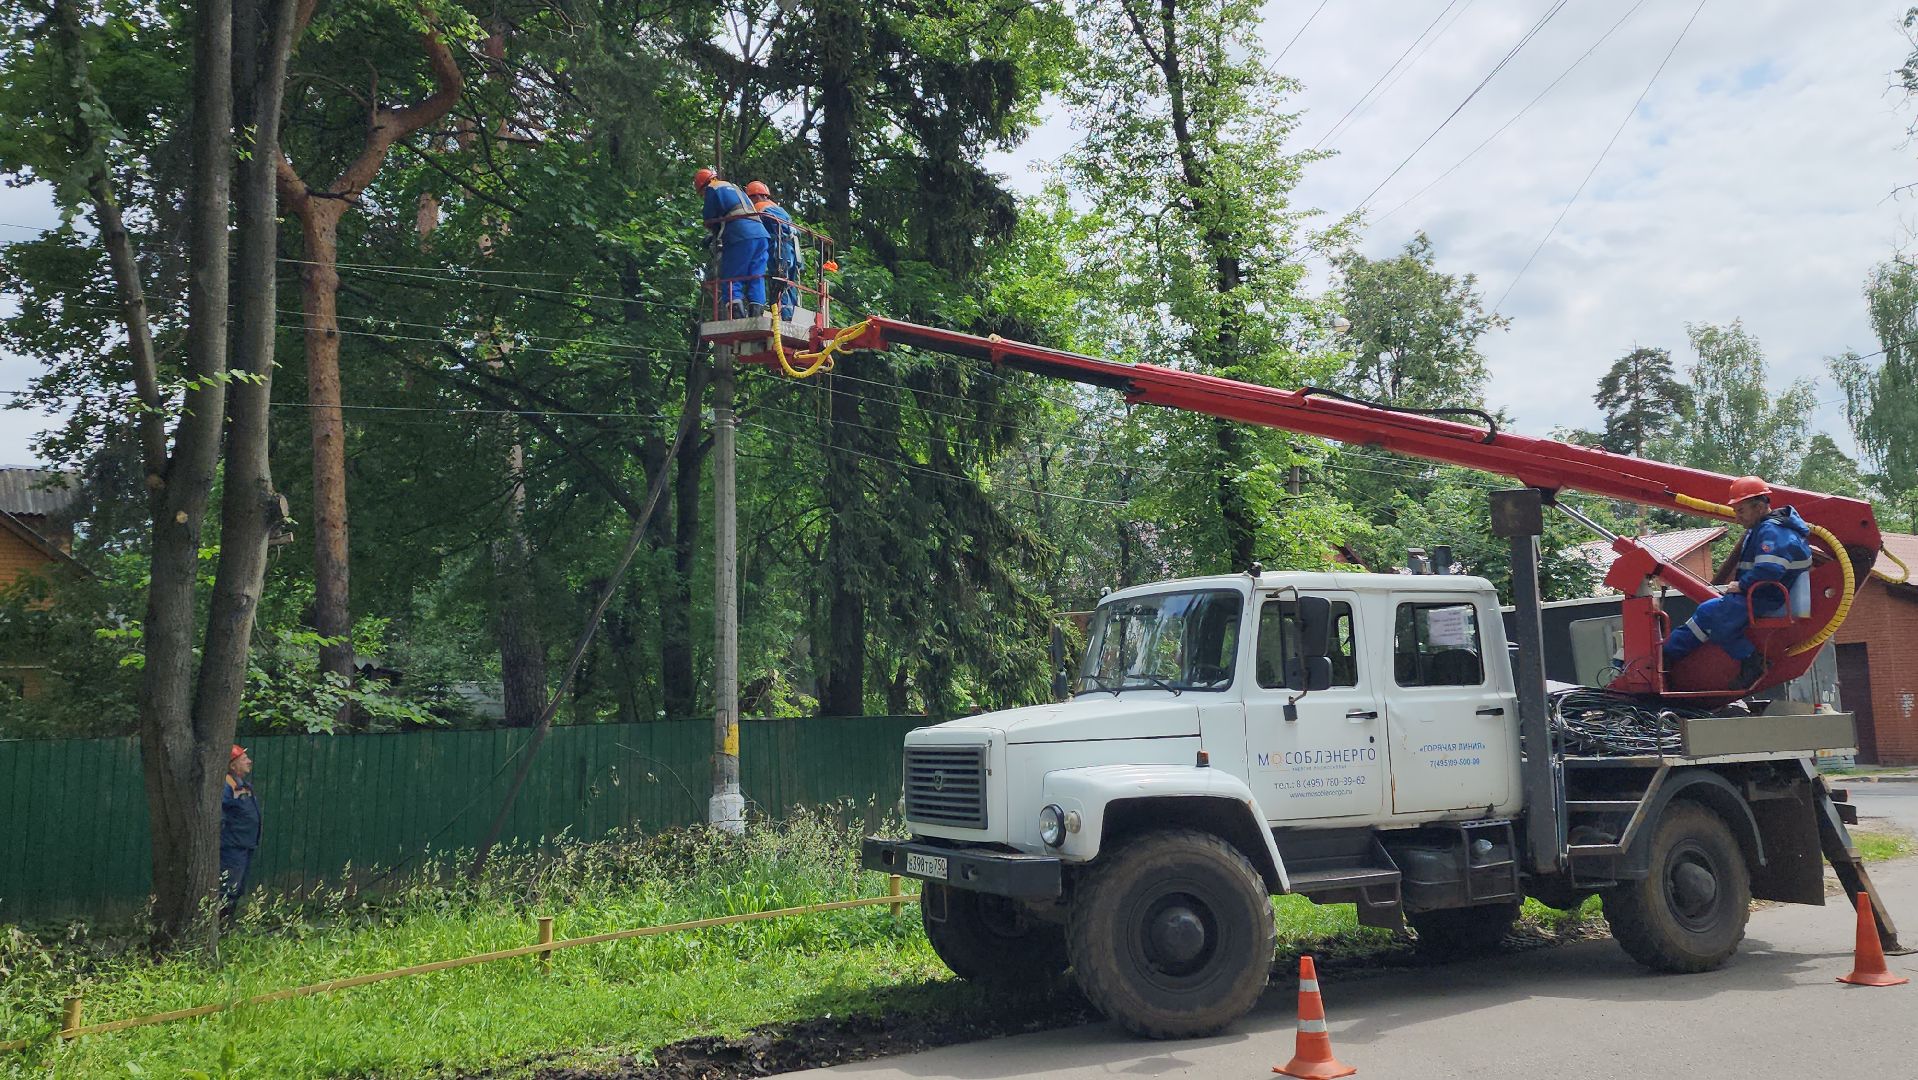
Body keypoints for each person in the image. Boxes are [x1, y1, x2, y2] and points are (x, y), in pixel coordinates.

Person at [1662, 476, 1813, 684]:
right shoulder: (1765, 529)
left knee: (1720, 625)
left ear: (1759, 507)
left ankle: (1753, 663)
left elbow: (1769, 570)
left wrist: (1741, 585)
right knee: (1707, 611)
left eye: (1740, 511)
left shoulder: (1773, 531)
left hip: (1765, 597)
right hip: (1758, 594)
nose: (1737, 517)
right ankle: (1668, 654)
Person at [696, 168, 768, 317]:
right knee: (756, 274)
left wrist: (713, 235)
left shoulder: (712, 188)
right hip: (760, 233)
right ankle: (757, 311)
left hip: (741, 234)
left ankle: (737, 314)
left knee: (731, 275)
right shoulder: (735, 187)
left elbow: (709, 218)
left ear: (703, 186)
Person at [746, 180, 802, 320]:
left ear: (755, 196)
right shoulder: (777, 208)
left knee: (779, 283)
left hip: (779, 249)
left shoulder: (759, 208)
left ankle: (783, 316)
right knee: (789, 283)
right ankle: (791, 315)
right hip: (791, 249)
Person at [220, 744, 262, 919]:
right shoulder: (226, 785)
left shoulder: (243, 785)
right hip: (232, 846)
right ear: (232, 765)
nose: (249, 761)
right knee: (227, 888)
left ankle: (227, 925)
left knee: (237, 889)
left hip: (244, 844)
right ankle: (220, 925)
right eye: (244, 759)